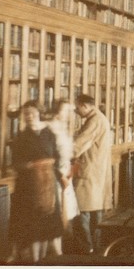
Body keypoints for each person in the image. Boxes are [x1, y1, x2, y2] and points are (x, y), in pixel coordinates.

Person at [8, 101, 64, 263]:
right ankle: (34, 261)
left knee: (49, 224)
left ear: (39, 113)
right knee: (31, 226)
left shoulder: (49, 133)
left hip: (47, 185)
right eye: (26, 114)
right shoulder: (22, 137)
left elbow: (57, 157)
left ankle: (50, 259)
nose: (29, 117)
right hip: (27, 186)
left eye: (32, 113)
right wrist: (30, 166)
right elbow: (16, 162)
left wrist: (53, 173)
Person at [72, 94, 113, 254]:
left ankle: (86, 249)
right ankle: (96, 248)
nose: (76, 110)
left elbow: (79, 144)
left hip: (89, 172)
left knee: (82, 210)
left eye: (77, 107)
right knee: (96, 212)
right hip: (96, 172)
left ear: (85, 106)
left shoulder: (94, 120)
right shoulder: (100, 118)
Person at [46, 100, 79, 255]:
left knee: (66, 213)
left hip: (66, 174)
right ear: (56, 111)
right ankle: (56, 253)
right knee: (58, 213)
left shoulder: (63, 128)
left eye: (69, 112)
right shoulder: (50, 128)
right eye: (65, 111)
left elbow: (68, 153)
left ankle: (62, 251)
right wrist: (61, 176)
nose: (68, 115)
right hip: (55, 177)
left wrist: (71, 170)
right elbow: (49, 157)